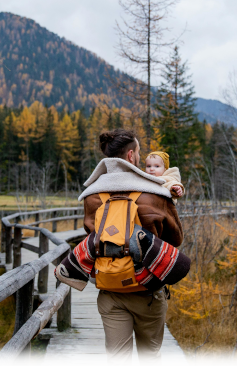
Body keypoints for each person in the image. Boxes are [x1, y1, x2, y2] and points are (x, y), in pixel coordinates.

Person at [78, 129, 183, 366]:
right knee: (151, 357)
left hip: (110, 289)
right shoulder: (155, 193)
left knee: (117, 361)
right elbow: (175, 240)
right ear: (132, 155)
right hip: (147, 289)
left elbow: (92, 235)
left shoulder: (92, 195)